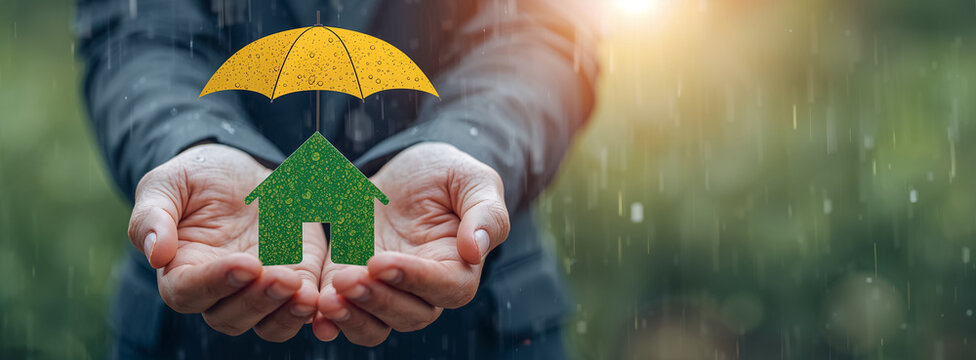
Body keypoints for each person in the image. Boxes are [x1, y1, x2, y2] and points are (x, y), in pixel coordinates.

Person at [75, 0, 599, 358]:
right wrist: (195, 144)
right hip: (198, 335)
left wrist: (464, 146)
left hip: (481, 334)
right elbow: (137, 31)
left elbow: (545, 34)